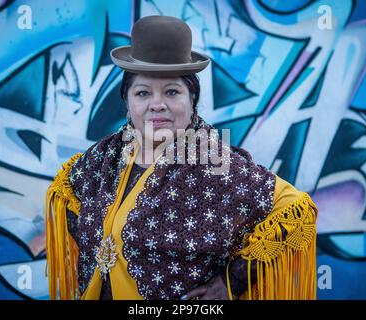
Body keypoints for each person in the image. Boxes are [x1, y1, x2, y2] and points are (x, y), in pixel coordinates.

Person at [45, 15, 318, 300]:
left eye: (172, 92)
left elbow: (295, 211)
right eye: (142, 93)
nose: (157, 104)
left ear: (192, 102)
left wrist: (231, 283)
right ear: (127, 103)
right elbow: (69, 196)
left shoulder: (213, 161)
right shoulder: (104, 159)